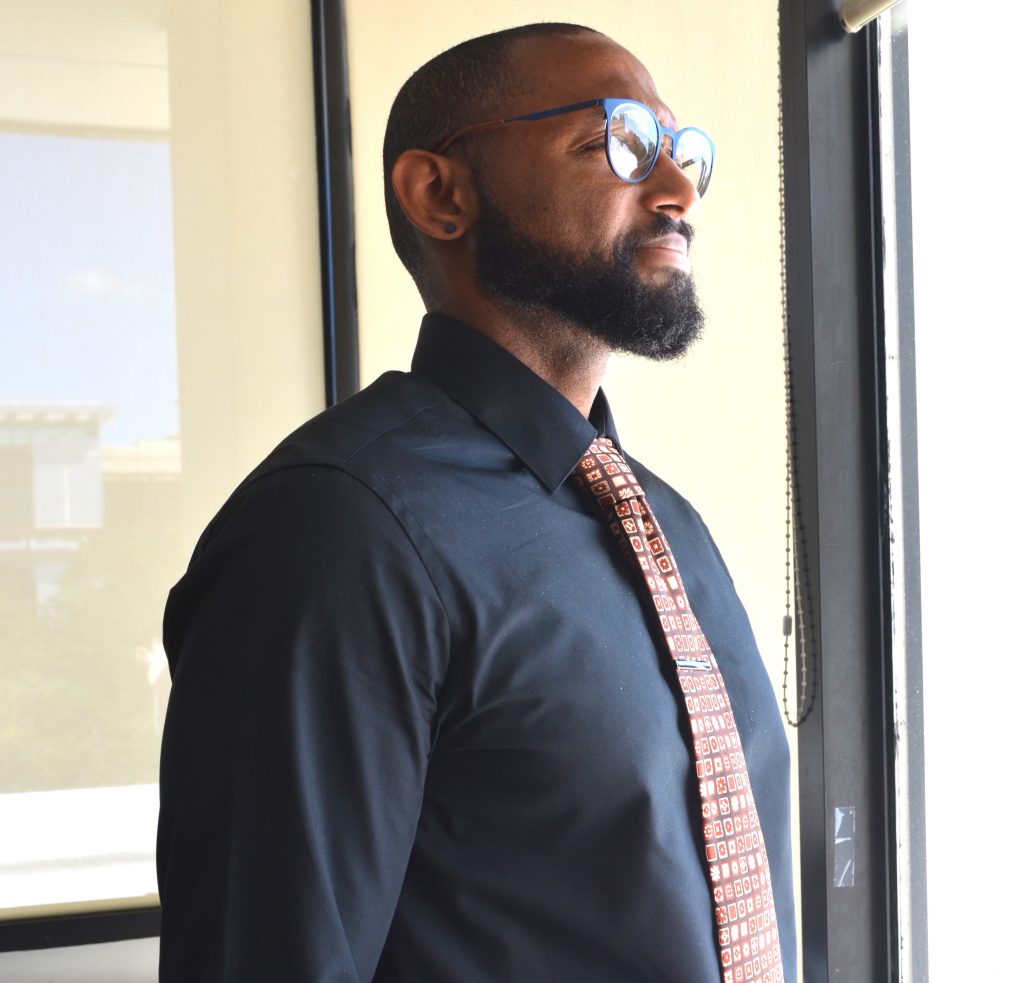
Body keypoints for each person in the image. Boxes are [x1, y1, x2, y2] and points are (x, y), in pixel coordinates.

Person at [157, 22, 797, 983]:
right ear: (440, 193)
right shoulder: (337, 532)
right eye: (618, 143)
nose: (677, 194)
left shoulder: (670, 527)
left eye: (682, 153)